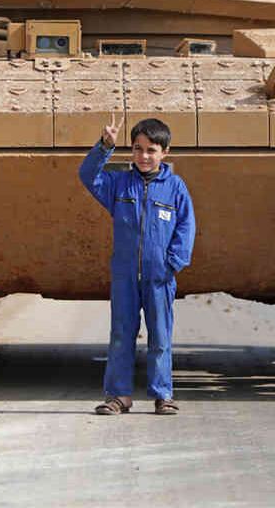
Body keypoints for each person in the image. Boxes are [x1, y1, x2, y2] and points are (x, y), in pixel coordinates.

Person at [78, 114, 195, 415]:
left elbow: (186, 225)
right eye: (138, 149)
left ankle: (162, 394)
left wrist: (173, 263)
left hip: (159, 276)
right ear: (131, 151)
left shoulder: (175, 187)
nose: (144, 156)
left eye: (151, 150)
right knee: (121, 334)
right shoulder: (119, 183)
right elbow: (88, 176)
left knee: (159, 336)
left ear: (164, 153)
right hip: (125, 275)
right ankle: (119, 396)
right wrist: (104, 146)